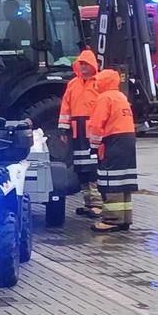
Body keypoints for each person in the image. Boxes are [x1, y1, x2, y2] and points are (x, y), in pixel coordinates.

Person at [88, 69, 138, 233]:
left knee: (111, 180)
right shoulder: (121, 96)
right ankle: (124, 218)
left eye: (98, 81)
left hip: (113, 139)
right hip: (128, 138)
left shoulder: (104, 98)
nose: (95, 84)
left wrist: (94, 145)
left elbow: (96, 124)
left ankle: (111, 219)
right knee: (124, 179)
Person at [59, 48, 103, 217]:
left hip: (92, 128)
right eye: (81, 64)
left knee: (93, 167)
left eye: (86, 64)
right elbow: (66, 107)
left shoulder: (98, 83)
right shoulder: (73, 84)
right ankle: (89, 202)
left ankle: (97, 203)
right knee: (81, 167)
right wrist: (63, 128)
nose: (83, 67)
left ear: (93, 65)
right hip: (77, 129)